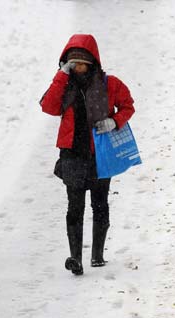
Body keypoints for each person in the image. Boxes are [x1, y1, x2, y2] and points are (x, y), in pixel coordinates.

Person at [40, 34, 135, 275]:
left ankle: (98, 255)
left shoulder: (109, 84)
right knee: (75, 207)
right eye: (72, 64)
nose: (77, 68)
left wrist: (114, 122)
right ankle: (76, 258)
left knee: (100, 204)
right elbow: (48, 106)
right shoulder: (64, 85)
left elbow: (128, 105)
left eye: (81, 63)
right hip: (72, 154)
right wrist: (61, 76)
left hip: (100, 154)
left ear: (92, 62)